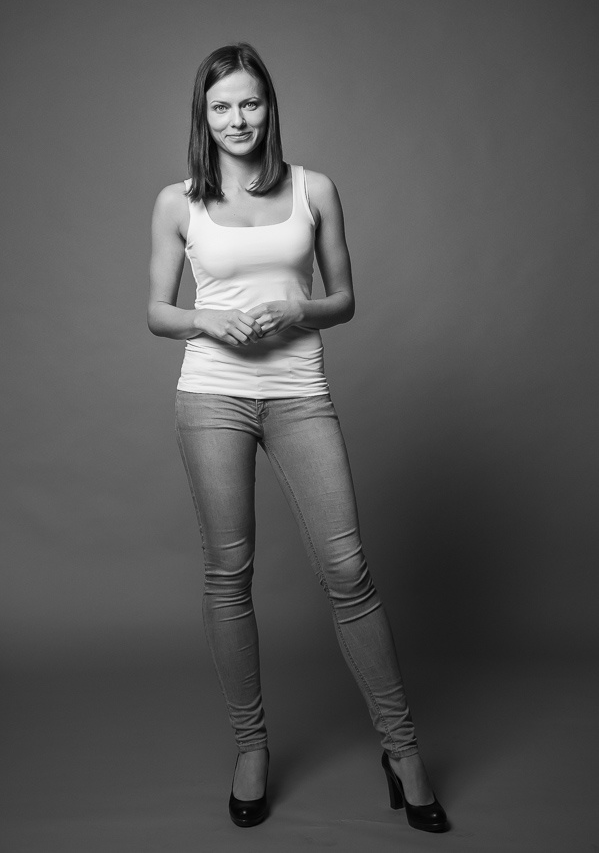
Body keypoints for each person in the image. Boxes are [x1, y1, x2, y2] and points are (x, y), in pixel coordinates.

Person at [148, 42, 448, 833]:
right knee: (228, 573)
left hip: (297, 392)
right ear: (203, 116)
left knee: (347, 570)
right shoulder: (178, 201)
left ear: (268, 108)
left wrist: (298, 310)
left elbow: (343, 298)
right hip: (211, 394)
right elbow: (156, 311)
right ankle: (251, 747)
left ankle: (403, 752)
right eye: (221, 106)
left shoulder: (313, 189)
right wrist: (206, 319)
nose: (236, 119)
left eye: (249, 103)